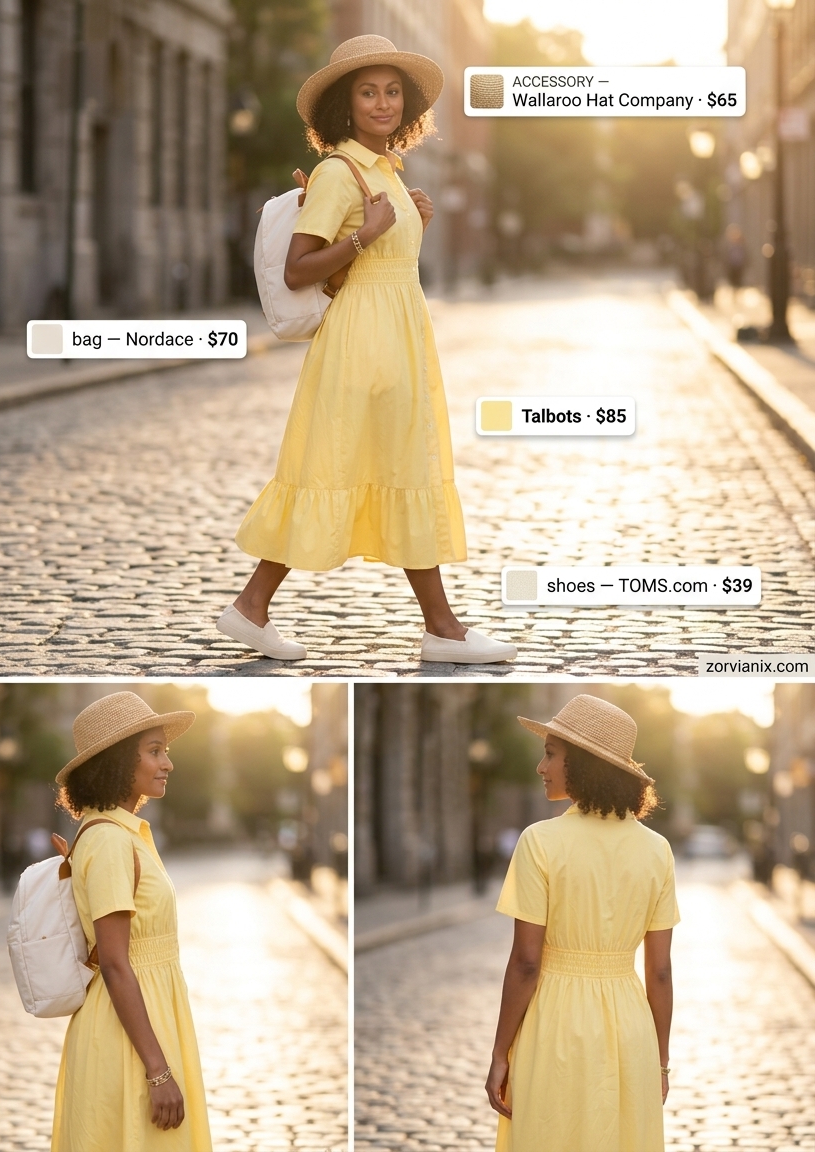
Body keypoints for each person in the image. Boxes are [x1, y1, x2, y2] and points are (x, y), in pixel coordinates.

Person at [216, 35, 517, 666]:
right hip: (361, 346)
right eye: (368, 92)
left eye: (392, 92)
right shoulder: (337, 171)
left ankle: (253, 608)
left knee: (384, 469)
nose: (382, 103)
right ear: (344, 106)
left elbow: (387, 258)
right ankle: (442, 628)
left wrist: (412, 223)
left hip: (397, 339)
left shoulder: (387, 172)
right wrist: (367, 237)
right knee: (345, 468)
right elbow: (300, 268)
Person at [485, 695, 678, 1152]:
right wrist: (661, 1061)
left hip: (555, 1025)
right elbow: (661, 972)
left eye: (551, 753)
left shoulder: (540, 842)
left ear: (584, 764)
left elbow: (526, 963)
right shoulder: (657, 850)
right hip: (630, 1029)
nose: (541, 766)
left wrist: (499, 1054)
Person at [51, 691, 213, 1152]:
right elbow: (117, 963)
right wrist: (158, 1071)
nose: (168, 763)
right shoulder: (109, 841)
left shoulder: (122, 833)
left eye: (166, 751)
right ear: (121, 761)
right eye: (155, 751)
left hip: (148, 1019)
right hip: (127, 1036)